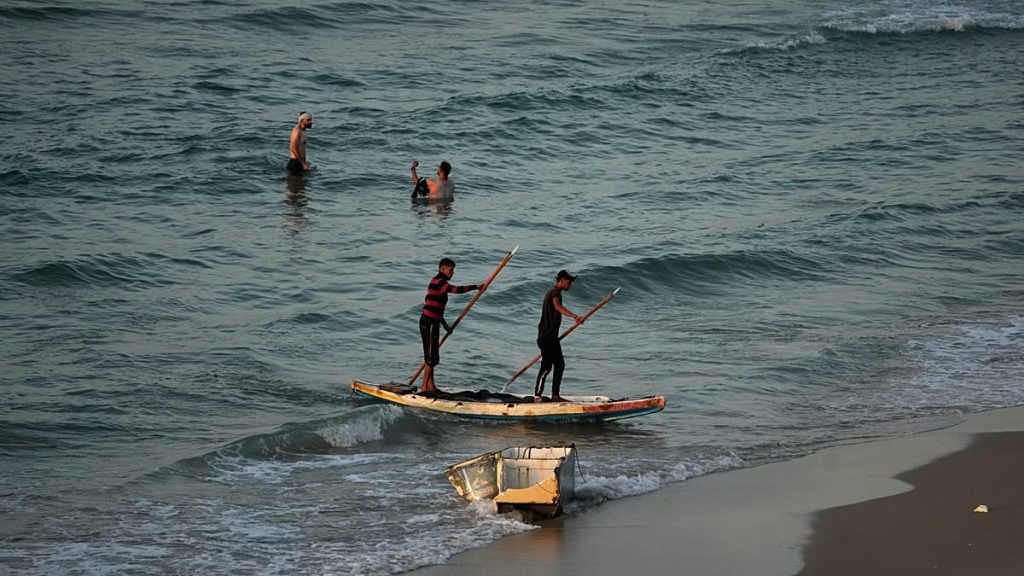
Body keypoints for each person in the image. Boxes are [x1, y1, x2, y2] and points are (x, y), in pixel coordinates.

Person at [419, 257, 482, 394]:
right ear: (442, 269)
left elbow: (436, 308)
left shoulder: (440, 282)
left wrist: (445, 325)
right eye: (451, 270)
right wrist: (475, 287)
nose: (453, 273)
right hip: (428, 322)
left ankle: (431, 386)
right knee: (431, 357)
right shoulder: (439, 282)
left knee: (432, 356)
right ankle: (424, 387)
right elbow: (457, 290)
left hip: (433, 321)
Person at [534, 269, 584, 403]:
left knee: (560, 364)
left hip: (552, 337)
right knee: (546, 366)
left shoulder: (556, 292)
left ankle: (555, 395)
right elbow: (558, 307)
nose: (570, 286)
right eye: (568, 283)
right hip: (546, 337)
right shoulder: (554, 292)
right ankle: (537, 397)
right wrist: (575, 317)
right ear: (561, 281)